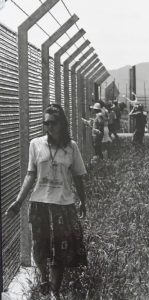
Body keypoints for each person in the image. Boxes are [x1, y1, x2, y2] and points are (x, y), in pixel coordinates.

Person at [5, 104, 87, 300]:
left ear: (62, 124)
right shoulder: (36, 144)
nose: (48, 126)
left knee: (61, 249)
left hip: (63, 205)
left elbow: (78, 177)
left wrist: (83, 202)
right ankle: (43, 278)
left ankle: (54, 291)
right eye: (45, 123)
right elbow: (30, 175)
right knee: (39, 247)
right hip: (39, 203)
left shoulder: (71, 147)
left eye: (53, 123)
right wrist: (17, 202)